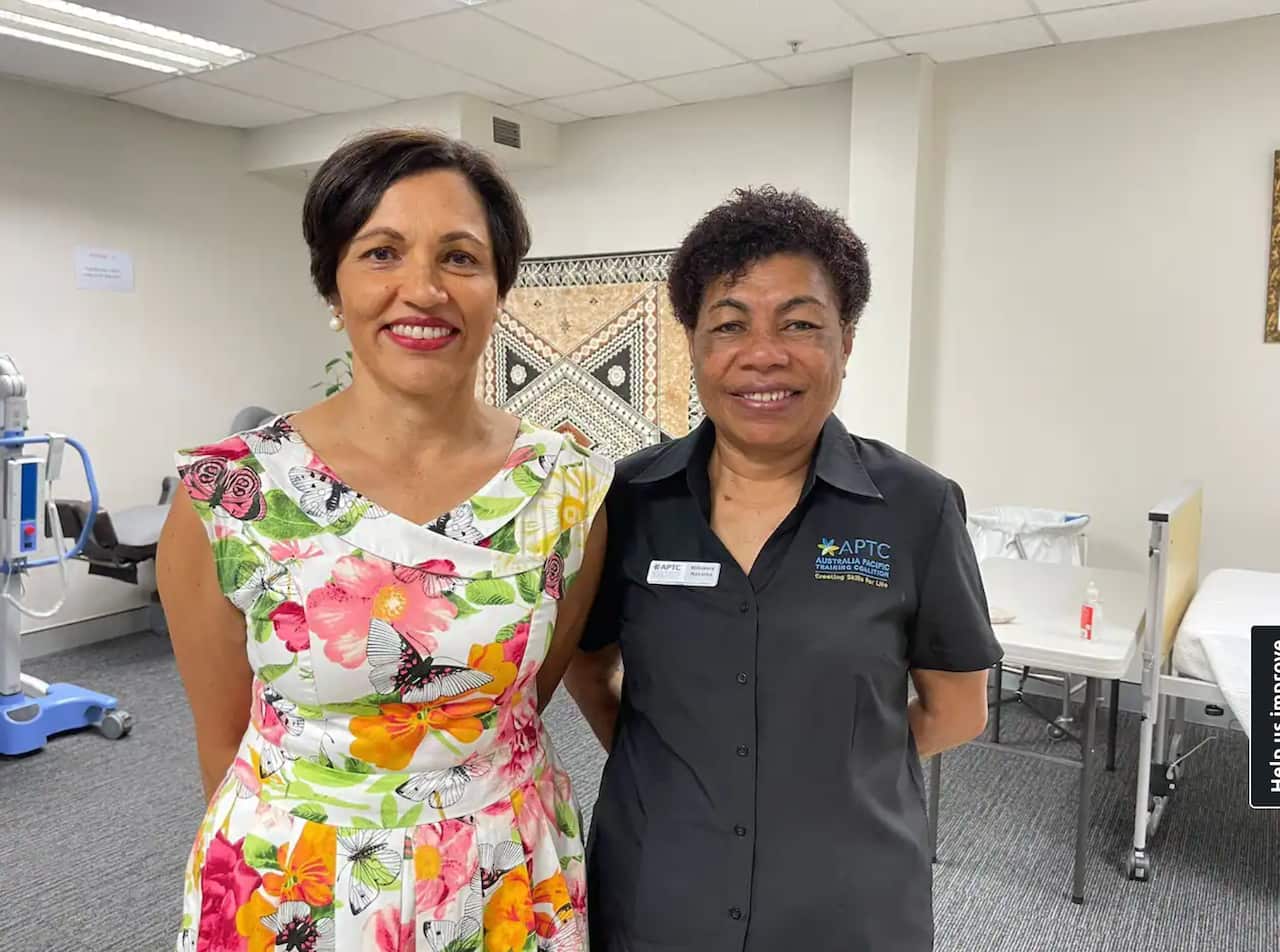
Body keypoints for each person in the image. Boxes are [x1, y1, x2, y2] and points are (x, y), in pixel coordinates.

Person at [157, 128, 611, 952]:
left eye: (461, 258)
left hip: (504, 873)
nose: (423, 288)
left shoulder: (568, 488)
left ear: (499, 287)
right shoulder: (227, 496)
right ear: (332, 284)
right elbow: (222, 739)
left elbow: (520, 704)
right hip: (295, 880)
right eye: (381, 253)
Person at [565, 186, 1002, 952]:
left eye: (800, 324)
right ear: (695, 345)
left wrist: (829, 773)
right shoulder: (628, 499)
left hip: (847, 899)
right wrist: (674, 774)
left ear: (847, 341)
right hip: (660, 889)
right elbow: (589, 668)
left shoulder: (915, 507)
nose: (763, 354)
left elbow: (958, 710)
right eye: (729, 324)